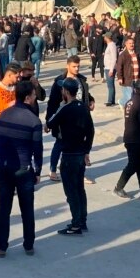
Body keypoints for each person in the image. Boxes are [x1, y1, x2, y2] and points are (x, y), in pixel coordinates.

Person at [0, 81, 43, 257]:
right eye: (35, 95)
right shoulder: (34, 121)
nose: (36, 98)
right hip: (24, 169)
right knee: (27, 209)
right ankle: (28, 244)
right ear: (28, 97)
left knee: (3, 208)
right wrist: (37, 172)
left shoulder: (4, 115)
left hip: (5, 168)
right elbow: (37, 149)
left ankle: (2, 246)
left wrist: (1, 162)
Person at [47, 78, 95, 235]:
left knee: (71, 191)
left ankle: (75, 224)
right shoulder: (83, 108)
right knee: (80, 189)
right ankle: (83, 221)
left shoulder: (65, 108)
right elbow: (91, 131)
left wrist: (58, 109)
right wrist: (87, 150)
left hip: (68, 155)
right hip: (80, 153)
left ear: (66, 92)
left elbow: (50, 123)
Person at [46, 56, 91, 181]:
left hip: (80, 116)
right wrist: (49, 120)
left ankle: (79, 171)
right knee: (60, 143)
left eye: (78, 66)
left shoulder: (81, 80)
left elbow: (85, 94)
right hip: (63, 118)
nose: (76, 69)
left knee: (78, 144)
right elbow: (52, 102)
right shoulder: (60, 81)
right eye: (74, 66)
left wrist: (90, 100)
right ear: (68, 66)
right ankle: (53, 169)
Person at [116, 37, 140, 109]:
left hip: (136, 78)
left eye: (133, 43)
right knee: (129, 97)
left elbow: (139, 66)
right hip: (127, 79)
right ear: (126, 44)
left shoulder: (136, 54)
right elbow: (119, 67)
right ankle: (122, 102)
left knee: (133, 96)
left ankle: (126, 105)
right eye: (130, 43)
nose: (131, 45)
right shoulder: (123, 55)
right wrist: (120, 77)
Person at [103, 34, 119, 106]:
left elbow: (114, 58)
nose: (104, 38)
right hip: (107, 67)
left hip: (110, 67)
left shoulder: (112, 45)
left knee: (110, 85)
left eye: (105, 37)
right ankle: (111, 100)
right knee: (110, 85)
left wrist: (111, 69)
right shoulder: (109, 45)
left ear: (107, 37)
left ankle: (110, 100)